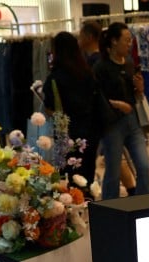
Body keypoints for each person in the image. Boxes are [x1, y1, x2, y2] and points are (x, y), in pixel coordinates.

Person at [93, 22, 149, 200]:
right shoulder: (100, 67)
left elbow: (135, 96)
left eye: (130, 40)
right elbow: (96, 97)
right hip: (112, 125)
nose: (129, 44)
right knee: (113, 171)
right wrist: (118, 105)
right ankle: (109, 210)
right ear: (113, 41)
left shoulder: (130, 64)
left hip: (132, 121)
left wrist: (140, 89)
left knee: (144, 166)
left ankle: (141, 206)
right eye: (126, 40)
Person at [43, 31, 103, 188]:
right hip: (90, 130)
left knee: (68, 177)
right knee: (87, 175)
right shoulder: (87, 73)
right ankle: (89, 206)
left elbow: (50, 109)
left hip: (66, 132)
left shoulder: (55, 77)